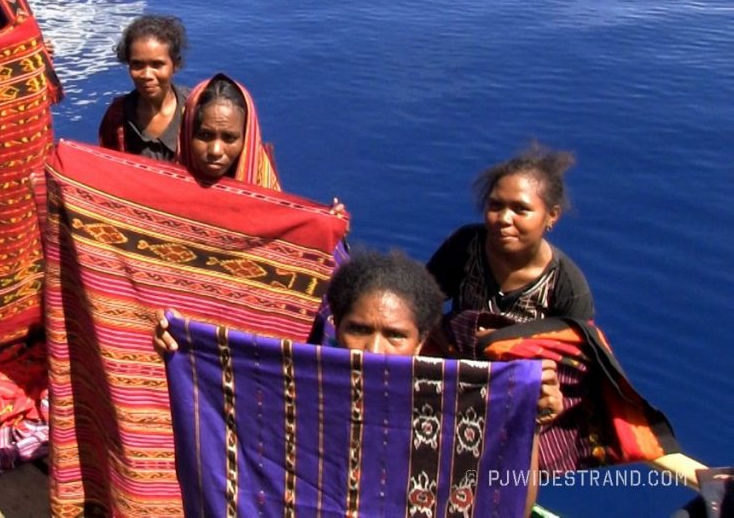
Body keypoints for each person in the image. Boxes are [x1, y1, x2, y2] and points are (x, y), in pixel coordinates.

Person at [154, 249, 561, 514]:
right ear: (336, 326)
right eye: (359, 329)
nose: (374, 350)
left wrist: (531, 425)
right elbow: (218, 424)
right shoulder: (294, 393)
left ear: (421, 343)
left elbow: (506, 504)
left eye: (395, 335)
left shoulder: (455, 407)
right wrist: (185, 356)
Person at [427, 143, 594, 323]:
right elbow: (418, 303)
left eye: (520, 209)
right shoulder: (466, 245)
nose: (504, 218)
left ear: (552, 216)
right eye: (495, 205)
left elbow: (578, 344)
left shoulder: (566, 286)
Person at [98, 15, 189, 161]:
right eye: (137, 64)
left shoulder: (196, 112)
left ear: (175, 64)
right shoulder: (117, 117)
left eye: (157, 64)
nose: (146, 75)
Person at [177, 73, 281, 190]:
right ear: (187, 135)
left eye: (229, 138)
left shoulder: (268, 199)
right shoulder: (163, 185)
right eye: (205, 135)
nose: (216, 151)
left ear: (246, 140)